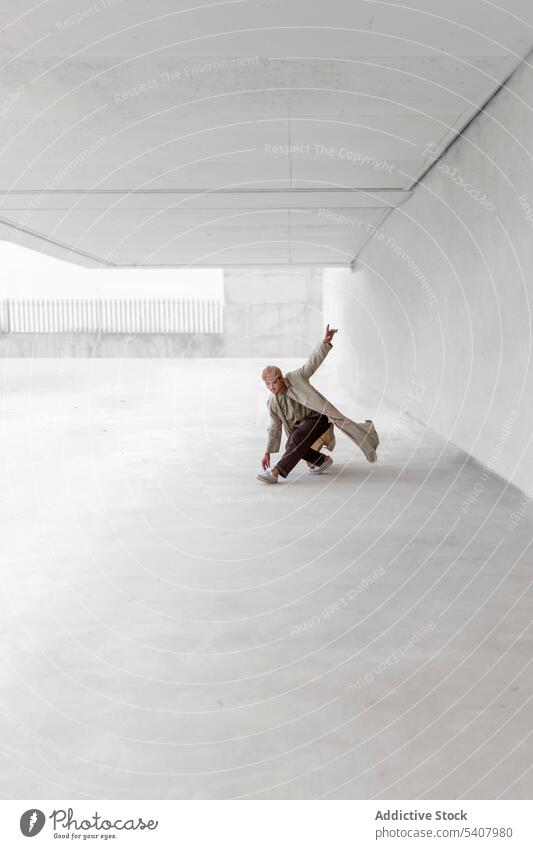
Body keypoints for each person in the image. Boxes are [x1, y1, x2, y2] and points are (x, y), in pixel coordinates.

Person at [257, 324, 379, 484]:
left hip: (319, 418)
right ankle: (322, 461)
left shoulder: (296, 378)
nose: (271, 387)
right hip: (301, 426)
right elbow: (274, 427)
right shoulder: (272, 402)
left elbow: (311, 364)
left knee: (298, 438)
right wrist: (267, 452)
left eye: (273, 382)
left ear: (280, 378)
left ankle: (276, 472)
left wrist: (325, 343)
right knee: (290, 445)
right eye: (267, 384)